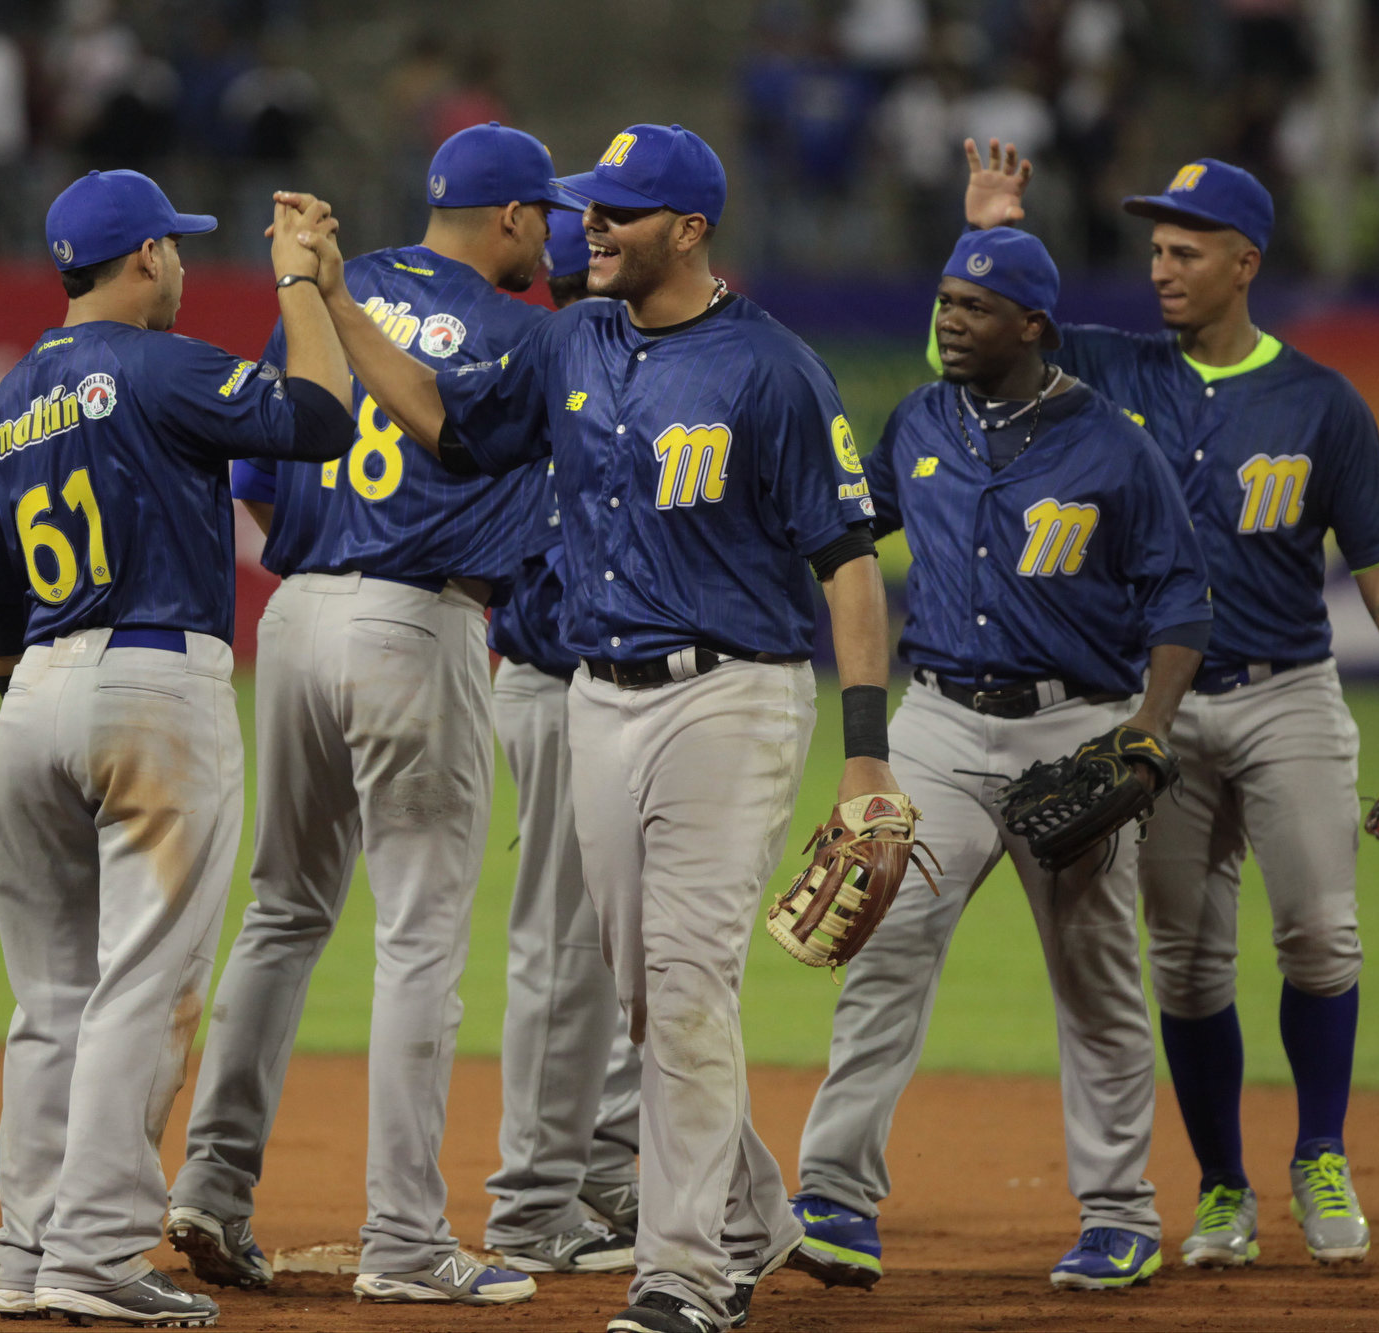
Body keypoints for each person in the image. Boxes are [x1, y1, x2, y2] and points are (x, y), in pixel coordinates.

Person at [286, 120, 908, 1333]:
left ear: (688, 229)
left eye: (617, 211)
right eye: (585, 207)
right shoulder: (572, 339)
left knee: (681, 979)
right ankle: (753, 1213)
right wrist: (330, 298)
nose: (590, 227)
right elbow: (443, 424)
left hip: (728, 692)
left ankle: (680, 1275)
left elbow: (845, 562)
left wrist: (868, 752)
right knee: (641, 992)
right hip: (595, 695)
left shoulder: (769, 370)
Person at [962, 143, 1379, 1268]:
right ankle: (1218, 1189)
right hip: (1153, 716)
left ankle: (1320, 1152)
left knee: (1319, 935)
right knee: (1188, 963)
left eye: (1184, 250)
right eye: (1154, 248)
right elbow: (967, 343)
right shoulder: (1104, 368)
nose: (1161, 267)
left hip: (1286, 693)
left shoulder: (1318, 403)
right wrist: (990, 232)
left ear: (1242, 262)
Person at [165, 121, 571, 1309]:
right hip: (419, 618)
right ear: (507, 216)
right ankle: (403, 1236)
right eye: (543, 215)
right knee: (419, 941)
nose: (549, 238)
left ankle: (208, 1183)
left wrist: (324, 579)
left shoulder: (327, 293)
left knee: (283, 913)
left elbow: (253, 470)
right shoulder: (523, 334)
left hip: (294, 615)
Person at [0, 170, 354, 1327]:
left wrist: (43, 699)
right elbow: (320, 422)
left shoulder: (6, 398)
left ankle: (28, 1249)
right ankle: (90, 1253)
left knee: (48, 998)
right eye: (171, 248)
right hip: (151, 682)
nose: (179, 264)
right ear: (139, 259)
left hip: (32, 687)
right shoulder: (162, 364)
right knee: (145, 982)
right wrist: (298, 283)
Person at [787, 226, 1211, 1293]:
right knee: (883, 944)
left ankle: (1118, 1211)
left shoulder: (1113, 443)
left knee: (1095, 972)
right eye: (942, 301)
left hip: (1072, 726)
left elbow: (1180, 600)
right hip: (933, 719)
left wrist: (1145, 729)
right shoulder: (921, 416)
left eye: (972, 307)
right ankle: (833, 1194)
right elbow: (849, 533)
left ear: (1031, 326)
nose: (947, 320)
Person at [480, 205, 644, 1275]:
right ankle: (537, 1193)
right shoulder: (544, 355)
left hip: (600, 683)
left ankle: (604, 1157)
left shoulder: (623, 359)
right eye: (584, 226)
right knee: (562, 945)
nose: (591, 240)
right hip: (552, 677)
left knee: (617, 943)